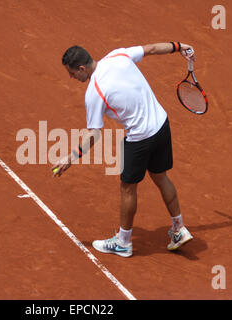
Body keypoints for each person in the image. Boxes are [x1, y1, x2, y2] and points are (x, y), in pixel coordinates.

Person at [52, 42, 195, 257]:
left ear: (81, 68)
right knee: (161, 177)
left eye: (72, 73)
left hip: (140, 138)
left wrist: (70, 157)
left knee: (128, 188)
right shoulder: (117, 55)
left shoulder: (94, 92)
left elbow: (94, 133)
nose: (71, 78)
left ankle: (123, 242)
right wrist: (179, 46)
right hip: (161, 125)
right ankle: (179, 229)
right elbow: (152, 49)